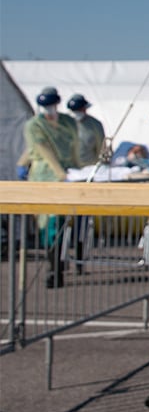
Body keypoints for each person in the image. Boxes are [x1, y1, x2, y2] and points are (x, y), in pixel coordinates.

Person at [21, 86, 80, 288]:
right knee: (48, 226)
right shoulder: (34, 125)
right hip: (45, 177)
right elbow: (40, 148)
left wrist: (77, 169)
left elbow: (74, 147)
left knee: (61, 224)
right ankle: (53, 267)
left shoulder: (67, 122)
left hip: (66, 176)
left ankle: (58, 266)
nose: (50, 109)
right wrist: (58, 171)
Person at [66, 93, 106, 166]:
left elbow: (101, 148)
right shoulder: (64, 123)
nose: (77, 113)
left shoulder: (95, 125)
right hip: (69, 167)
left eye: (79, 110)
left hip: (88, 166)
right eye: (74, 111)